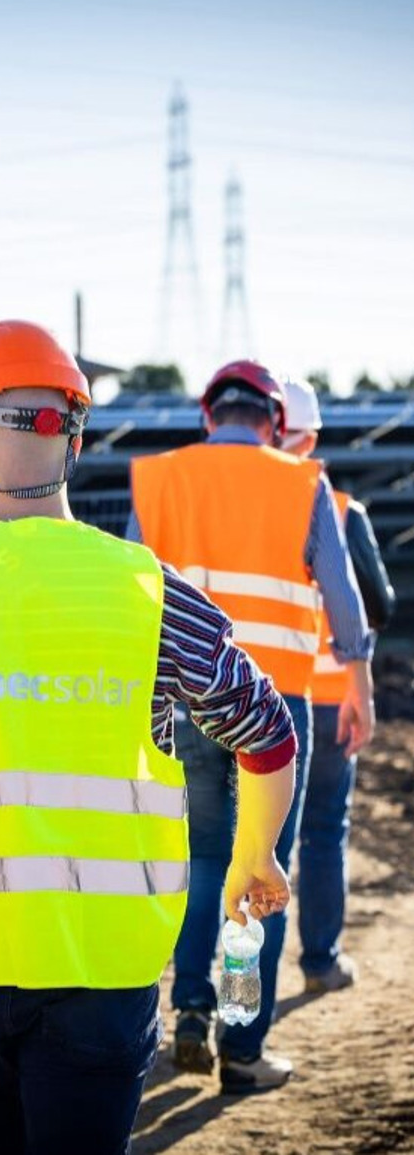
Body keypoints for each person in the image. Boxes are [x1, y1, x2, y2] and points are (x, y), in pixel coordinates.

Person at [0, 321, 298, 1155]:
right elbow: (265, 731)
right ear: (73, 433)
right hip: (103, 964)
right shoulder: (146, 588)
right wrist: (254, 854)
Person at [129, 359, 375, 1092]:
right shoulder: (303, 483)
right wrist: (358, 680)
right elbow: (344, 597)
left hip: (181, 704)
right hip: (274, 712)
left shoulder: (161, 477)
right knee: (258, 874)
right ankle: (241, 1045)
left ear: (209, 415)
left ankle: (191, 1010)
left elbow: (134, 591)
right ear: (273, 420)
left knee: (201, 864)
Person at [281, 376, 395, 993]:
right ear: (314, 436)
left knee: (248, 852)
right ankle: (321, 962)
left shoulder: (236, 507)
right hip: (329, 700)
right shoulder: (341, 509)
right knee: (324, 829)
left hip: (251, 701)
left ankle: (231, 995)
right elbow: (378, 604)